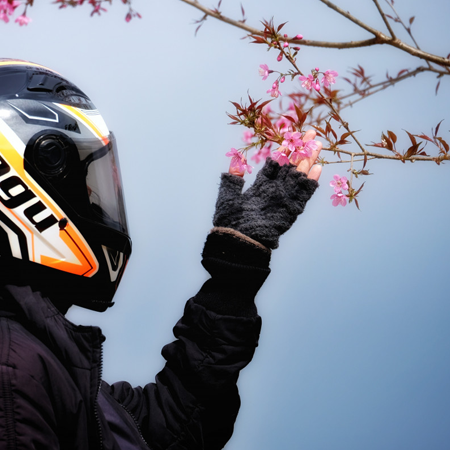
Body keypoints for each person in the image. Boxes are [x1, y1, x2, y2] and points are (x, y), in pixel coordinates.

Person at [0, 59, 322, 449]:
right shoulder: (13, 365)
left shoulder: (45, 364)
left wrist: (236, 267)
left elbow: (174, 427)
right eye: (82, 181)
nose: (92, 197)